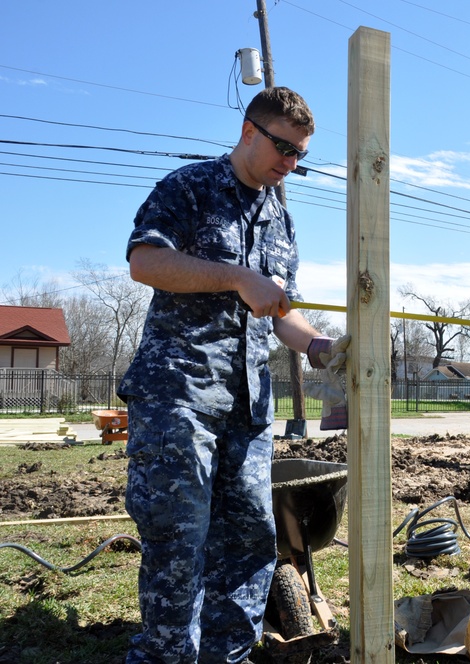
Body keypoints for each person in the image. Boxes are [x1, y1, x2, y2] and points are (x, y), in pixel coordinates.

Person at [117, 87, 349, 663]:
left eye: (300, 155)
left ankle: (230, 655)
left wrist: (319, 345)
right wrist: (236, 276)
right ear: (249, 131)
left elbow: (280, 313)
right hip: (180, 395)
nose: (290, 163)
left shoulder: (280, 217)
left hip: (248, 407)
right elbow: (145, 262)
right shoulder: (189, 188)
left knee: (249, 537)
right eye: (283, 148)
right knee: (179, 538)